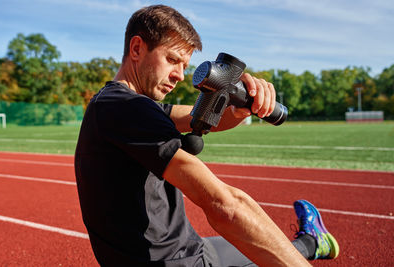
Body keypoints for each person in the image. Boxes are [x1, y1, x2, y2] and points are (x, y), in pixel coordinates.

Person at [74, 4, 339, 266]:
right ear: (136, 49)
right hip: (176, 262)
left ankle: (312, 241)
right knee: (262, 249)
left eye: (185, 65)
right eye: (172, 59)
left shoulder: (121, 105)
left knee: (265, 246)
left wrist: (239, 108)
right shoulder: (126, 107)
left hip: (189, 248)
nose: (180, 75)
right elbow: (225, 206)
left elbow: (195, 118)